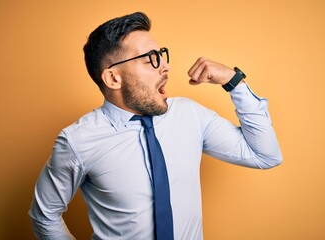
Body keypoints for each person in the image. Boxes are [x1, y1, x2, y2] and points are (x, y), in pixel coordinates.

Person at [29, 12, 282, 240]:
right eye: (150, 58)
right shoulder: (77, 141)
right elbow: (44, 216)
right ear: (113, 77)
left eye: (160, 55)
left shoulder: (189, 114)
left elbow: (265, 155)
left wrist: (234, 81)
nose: (165, 66)